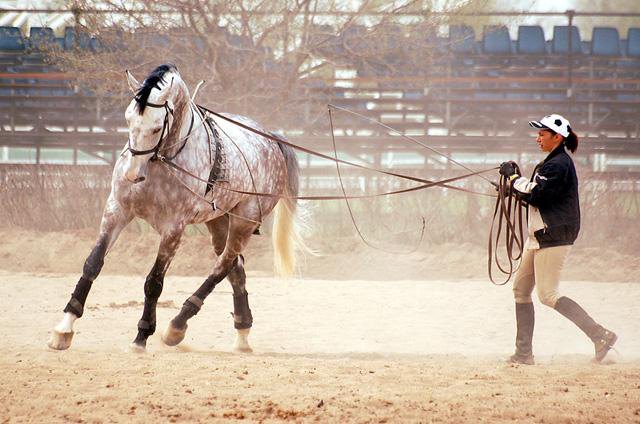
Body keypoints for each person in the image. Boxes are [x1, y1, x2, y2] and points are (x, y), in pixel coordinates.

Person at [499, 113, 617, 365]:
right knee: (521, 289)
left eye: (542, 134)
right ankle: (523, 353)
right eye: (539, 133)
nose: (538, 138)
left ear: (557, 137)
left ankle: (600, 335)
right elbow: (534, 194)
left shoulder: (558, 165)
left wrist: (512, 179)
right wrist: (513, 188)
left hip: (553, 236)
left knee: (547, 295)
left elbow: (539, 195)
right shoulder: (553, 163)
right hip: (542, 234)